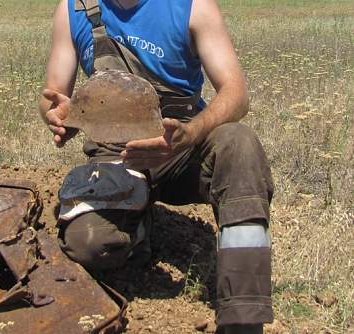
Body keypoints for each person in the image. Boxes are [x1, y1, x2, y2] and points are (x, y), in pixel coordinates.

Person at [38, 0, 274, 333]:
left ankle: (243, 315)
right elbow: (53, 94)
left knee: (239, 142)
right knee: (89, 245)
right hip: (116, 158)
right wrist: (58, 115)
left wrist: (191, 133)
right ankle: (137, 223)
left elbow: (236, 93)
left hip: (180, 147)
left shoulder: (192, 6)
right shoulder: (73, 9)